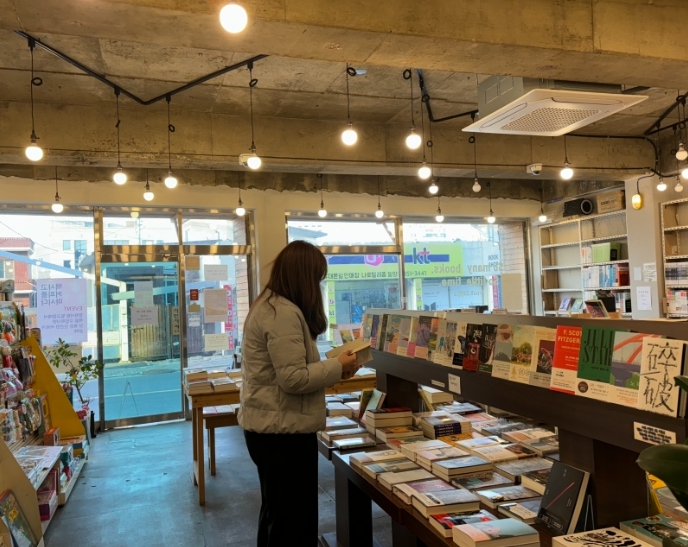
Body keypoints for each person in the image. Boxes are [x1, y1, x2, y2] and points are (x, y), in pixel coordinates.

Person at [238, 240, 359, 547]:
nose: (318, 287)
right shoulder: (282, 313)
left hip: (272, 428)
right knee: (293, 525)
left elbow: (291, 371)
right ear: (304, 277)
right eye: (317, 279)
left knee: (277, 516)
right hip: (283, 434)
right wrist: (336, 366)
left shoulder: (271, 305)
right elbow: (293, 378)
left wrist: (336, 368)